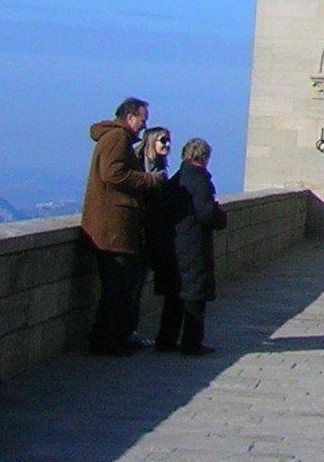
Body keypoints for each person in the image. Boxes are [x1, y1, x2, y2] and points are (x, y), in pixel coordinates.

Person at [81, 98, 159, 356]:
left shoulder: (115, 137)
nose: (143, 125)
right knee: (115, 290)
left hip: (114, 229)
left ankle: (114, 339)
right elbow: (112, 174)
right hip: (113, 230)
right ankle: (105, 342)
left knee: (119, 289)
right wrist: (148, 179)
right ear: (130, 117)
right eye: (142, 120)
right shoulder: (117, 138)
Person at [157, 139, 228, 354]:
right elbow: (206, 214)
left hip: (174, 242)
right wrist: (220, 216)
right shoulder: (200, 181)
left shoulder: (177, 178)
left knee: (174, 294)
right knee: (195, 297)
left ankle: (165, 340)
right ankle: (191, 343)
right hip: (194, 243)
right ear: (204, 157)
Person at [135, 127, 175, 346]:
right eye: (163, 140)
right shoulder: (141, 165)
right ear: (151, 141)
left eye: (169, 141)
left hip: (152, 234)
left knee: (138, 286)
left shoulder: (160, 168)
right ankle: (126, 333)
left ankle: (130, 332)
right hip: (141, 234)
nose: (167, 144)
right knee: (132, 287)